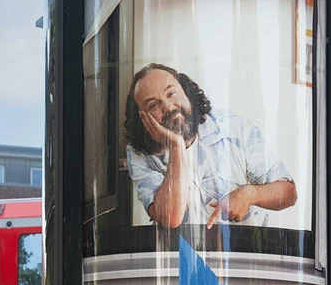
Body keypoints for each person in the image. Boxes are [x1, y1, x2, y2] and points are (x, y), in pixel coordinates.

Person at [123, 63, 298, 229]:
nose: (168, 107)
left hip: (245, 246)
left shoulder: (233, 126)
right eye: (153, 105)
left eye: (171, 93)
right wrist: (177, 147)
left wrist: (249, 194)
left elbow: (289, 193)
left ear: (186, 93)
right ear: (142, 119)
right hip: (182, 248)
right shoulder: (138, 153)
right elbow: (170, 218)